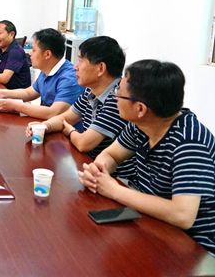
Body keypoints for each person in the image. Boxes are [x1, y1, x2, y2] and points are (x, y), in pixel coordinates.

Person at [78, 60, 215, 255]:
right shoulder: (141, 126)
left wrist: (113, 190)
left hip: (193, 248)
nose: (114, 97)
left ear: (140, 109)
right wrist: (99, 172)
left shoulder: (190, 142)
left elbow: (183, 215)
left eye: (119, 92)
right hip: (151, 222)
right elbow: (111, 155)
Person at [25, 36, 134, 177]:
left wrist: (70, 130)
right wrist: (45, 126)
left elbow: (84, 143)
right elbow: (66, 117)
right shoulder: (91, 91)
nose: (75, 67)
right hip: (91, 166)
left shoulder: (117, 98)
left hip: (114, 177)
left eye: (81, 60)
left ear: (100, 68)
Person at [0, 28, 83, 118]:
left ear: (47, 54)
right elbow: (29, 92)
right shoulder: (48, 69)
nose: (30, 53)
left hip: (64, 131)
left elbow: (53, 113)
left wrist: (16, 106)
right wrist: (1, 93)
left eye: (34, 50)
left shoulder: (69, 78)